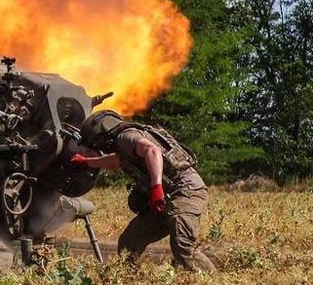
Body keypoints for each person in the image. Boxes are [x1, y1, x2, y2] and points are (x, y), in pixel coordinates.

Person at [70, 110, 216, 272]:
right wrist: (87, 163)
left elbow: (152, 151)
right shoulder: (126, 140)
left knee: (183, 248)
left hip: (185, 191)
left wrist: (156, 188)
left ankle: (212, 280)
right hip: (168, 195)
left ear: (101, 135)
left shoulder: (125, 137)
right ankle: (132, 278)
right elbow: (116, 161)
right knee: (130, 241)